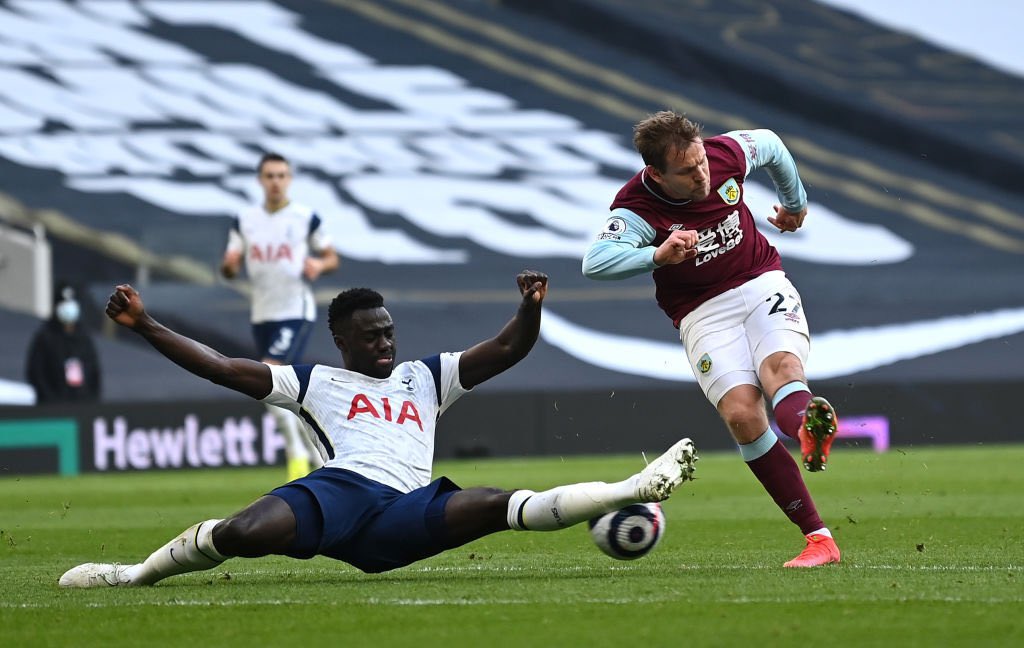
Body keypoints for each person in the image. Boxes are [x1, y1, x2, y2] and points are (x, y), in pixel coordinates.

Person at [58, 271, 698, 588]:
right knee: (244, 534)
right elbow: (223, 367)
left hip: (403, 510)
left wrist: (528, 309)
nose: (387, 342)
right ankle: (134, 575)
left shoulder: (425, 377)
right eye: (372, 335)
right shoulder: (314, 382)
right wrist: (145, 324)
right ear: (342, 340)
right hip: (339, 490)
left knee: (494, 505)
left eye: (389, 331)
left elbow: (505, 350)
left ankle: (631, 487)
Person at [582, 111, 839, 568]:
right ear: (656, 174)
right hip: (702, 310)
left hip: (761, 280)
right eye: (687, 171)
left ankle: (806, 428)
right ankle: (819, 539)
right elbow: (596, 262)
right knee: (741, 413)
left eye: (701, 161)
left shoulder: (724, 153)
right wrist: (656, 255)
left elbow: (772, 144)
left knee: (780, 368)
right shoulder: (637, 207)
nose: (702, 174)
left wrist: (794, 203)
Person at [221, 152, 340, 481]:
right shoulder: (245, 219)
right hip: (263, 314)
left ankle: (297, 456)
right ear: (260, 180)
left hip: (295, 311)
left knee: (270, 375)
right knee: (284, 390)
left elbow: (331, 257)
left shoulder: (305, 218)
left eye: (281, 175)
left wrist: (319, 264)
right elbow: (230, 264)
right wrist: (230, 266)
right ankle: (321, 456)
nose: (276, 182)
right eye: (270, 176)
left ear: (289, 180)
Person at [25, 283, 101, 404]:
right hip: (53, 405)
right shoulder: (45, 337)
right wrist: (50, 400)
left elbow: (94, 372)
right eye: (64, 305)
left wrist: (92, 399)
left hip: (83, 403)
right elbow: (36, 373)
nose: (69, 309)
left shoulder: (84, 337)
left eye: (71, 305)